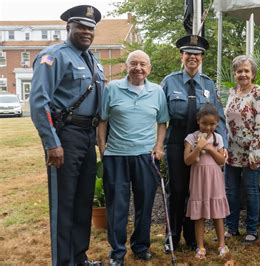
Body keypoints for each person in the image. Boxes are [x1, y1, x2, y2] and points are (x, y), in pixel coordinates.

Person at [29, 5, 105, 265]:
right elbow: (40, 102)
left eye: (91, 28)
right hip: (66, 137)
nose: (86, 31)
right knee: (64, 203)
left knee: (83, 200)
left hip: (87, 136)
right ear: (68, 28)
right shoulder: (54, 56)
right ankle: (63, 261)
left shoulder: (93, 60)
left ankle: (78, 256)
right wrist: (52, 143)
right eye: (81, 26)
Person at [97, 50, 169, 265]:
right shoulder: (112, 89)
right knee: (117, 206)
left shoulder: (157, 91)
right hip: (117, 156)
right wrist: (103, 149)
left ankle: (140, 246)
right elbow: (102, 121)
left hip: (145, 157)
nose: (138, 68)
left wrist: (158, 146)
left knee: (145, 204)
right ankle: (117, 252)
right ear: (126, 66)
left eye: (143, 64)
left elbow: (162, 122)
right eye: (134, 63)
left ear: (150, 68)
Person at [161, 34, 227, 252]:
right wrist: (158, 144)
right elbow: (161, 117)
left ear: (202, 58)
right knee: (177, 189)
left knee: (195, 191)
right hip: (177, 141)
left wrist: (222, 144)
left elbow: (220, 118)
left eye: (197, 54)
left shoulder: (208, 84)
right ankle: (171, 235)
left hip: (204, 142)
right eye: (188, 53)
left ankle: (191, 237)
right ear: (181, 55)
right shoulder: (169, 82)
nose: (193, 57)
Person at [224, 55, 260, 244]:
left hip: (251, 150)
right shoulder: (232, 92)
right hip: (231, 150)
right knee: (231, 191)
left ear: (253, 74)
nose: (242, 74)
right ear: (235, 74)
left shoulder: (257, 92)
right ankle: (231, 227)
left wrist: (256, 152)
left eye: (246, 71)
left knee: (251, 191)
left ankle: (251, 229)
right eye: (239, 71)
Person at [184, 103, 230, 259]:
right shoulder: (191, 137)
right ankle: (200, 246)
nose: (208, 127)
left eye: (212, 124)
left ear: (217, 123)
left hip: (214, 178)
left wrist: (209, 148)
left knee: (218, 213)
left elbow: (221, 161)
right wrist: (198, 147)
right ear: (198, 121)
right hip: (198, 179)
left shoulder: (218, 138)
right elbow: (187, 160)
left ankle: (222, 244)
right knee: (199, 214)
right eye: (204, 123)